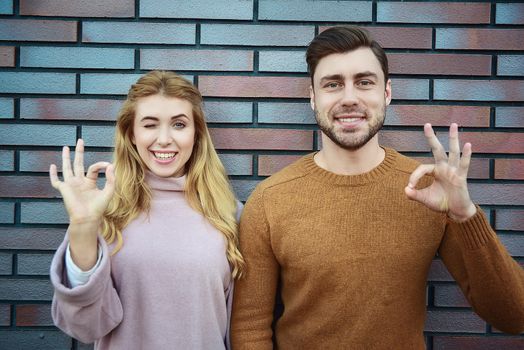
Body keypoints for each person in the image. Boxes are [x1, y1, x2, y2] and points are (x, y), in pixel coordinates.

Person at [230, 26, 524, 349]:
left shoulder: (429, 190)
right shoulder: (270, 200)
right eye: (333, 85)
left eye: (364, 82)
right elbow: (249, 328)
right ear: (312, 97)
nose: (349, 98)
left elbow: (513, 316)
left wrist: (466, 215)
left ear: (386, 93)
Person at [49, 70, 244, 349]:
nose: (164, 139)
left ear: (197, 133)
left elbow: (242, 326)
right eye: (150, 125)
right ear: (131, 134)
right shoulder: (106, 209)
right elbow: (85, 328)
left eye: (178, 125)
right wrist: (82, 226)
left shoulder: (227, 213)